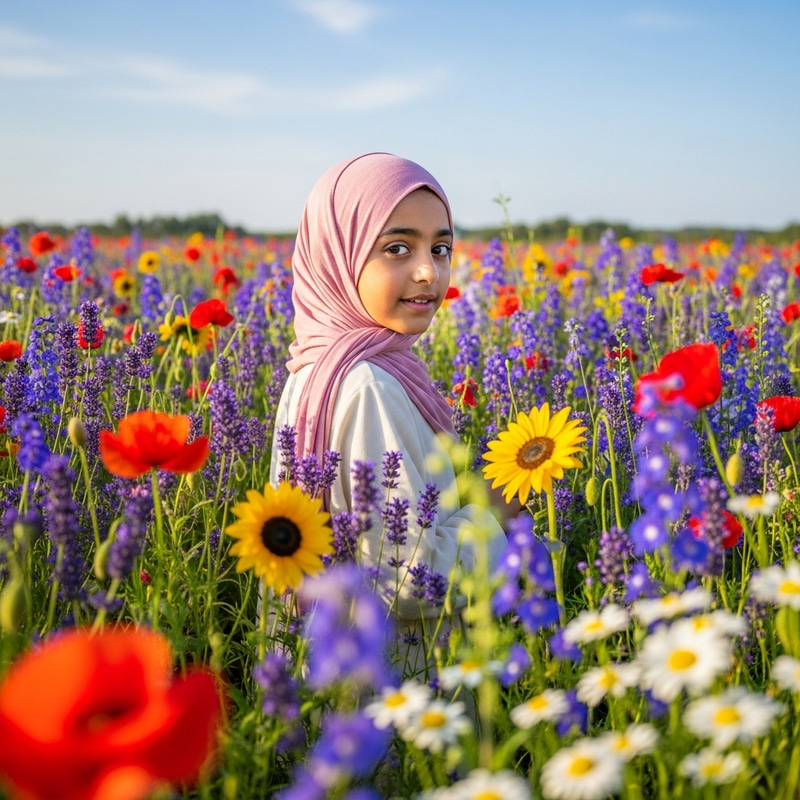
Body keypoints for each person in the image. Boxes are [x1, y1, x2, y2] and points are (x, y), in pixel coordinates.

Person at [269, 153, 506, 669]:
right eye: (397, 248)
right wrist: (497, 523)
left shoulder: (312, 366)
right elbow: (405, 574)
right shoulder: (365, 384)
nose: (428, 270)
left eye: (441, 248)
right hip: (399, 685)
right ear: (338, 254)